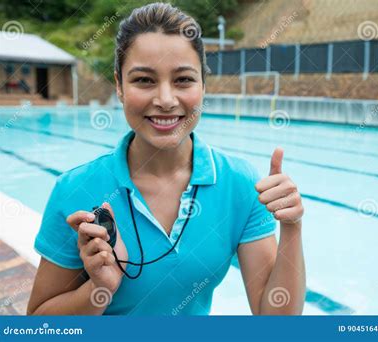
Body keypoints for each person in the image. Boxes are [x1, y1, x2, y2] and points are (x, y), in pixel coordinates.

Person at [27, 2, 305, 315]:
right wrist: (99, 289)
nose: (165, 100)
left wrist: (292, 227)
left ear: (203, 86)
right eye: (144, 80)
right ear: (119, 85)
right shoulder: (76, 189)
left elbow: (276, 321)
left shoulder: (239, 184)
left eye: (183, 80)